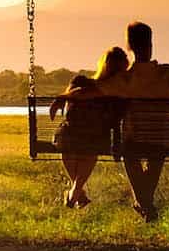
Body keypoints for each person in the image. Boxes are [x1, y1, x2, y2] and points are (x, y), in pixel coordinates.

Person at [80, 20, 169, 221]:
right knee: (155, 153)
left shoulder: (124, 79)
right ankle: (145, 204)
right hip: (165, 141)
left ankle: (144, 204)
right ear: (151, 44)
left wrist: (64, 97)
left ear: (129, 47)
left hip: (134, 142)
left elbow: (90, 92)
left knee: (129, 154)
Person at [47, 47, 128, 207]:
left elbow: (71, 99)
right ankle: (76, 193)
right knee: (88, 149)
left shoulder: (81, 82)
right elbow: (116, 122)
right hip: (91, 138)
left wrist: (62, 97)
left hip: (71, 136)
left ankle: (75, 193)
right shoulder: (116, 92)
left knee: (73, 146)